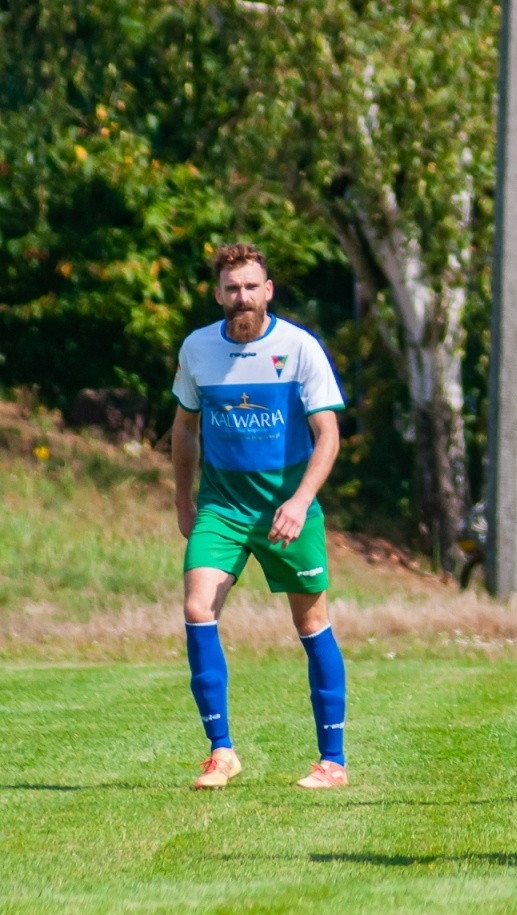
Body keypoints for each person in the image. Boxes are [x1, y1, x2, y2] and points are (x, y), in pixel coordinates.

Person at [170, 243, 350, 791]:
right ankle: (221, 753)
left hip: (287, 509)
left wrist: (298, 503)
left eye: (251, 286)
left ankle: (332, 762)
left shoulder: (300, 348)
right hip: (223, 508)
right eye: (231, 288)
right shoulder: (198, 349)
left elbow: (329, 436)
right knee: (197, 607)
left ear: (268, 290)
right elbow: (183, 428)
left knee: (311, 624)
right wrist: (184, 501)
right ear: (217, 293)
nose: (241, 296)